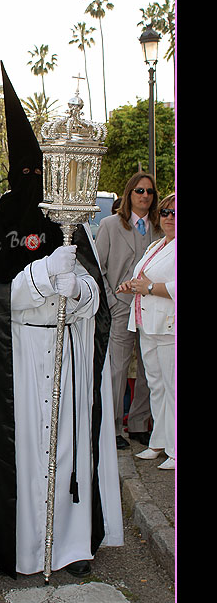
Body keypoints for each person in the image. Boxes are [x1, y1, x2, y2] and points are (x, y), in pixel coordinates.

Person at [0, 63, 123, 581]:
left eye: (38, 174)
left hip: (67, 354)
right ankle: (25, 546)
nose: (31, 184)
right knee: (23, 451)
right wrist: (45, 276)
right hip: (19, 360)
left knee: (68, 445)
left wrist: (81, 288)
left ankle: (71, 545)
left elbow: (97, 296)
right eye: (25, 173)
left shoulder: (68, 225)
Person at [95, 172, 162, 449]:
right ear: (129, 194)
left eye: (149, 192)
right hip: (121, 308)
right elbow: (98, 268)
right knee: (117, 369)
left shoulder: (161, 228)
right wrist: (110, 301)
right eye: (139, 191)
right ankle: (112, 429)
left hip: (152, 307)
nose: (144, 196)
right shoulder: (111, 225)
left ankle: (138, 424)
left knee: (149, 369)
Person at [116, 194, 175, 470]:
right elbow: (144, 277)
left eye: (175, 213)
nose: (169, 217)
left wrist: (149, 288)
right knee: (157, 386)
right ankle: (159, 442)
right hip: (147, 323)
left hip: (168, 325)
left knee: (173, 388)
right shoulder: (156, 245)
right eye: (165, 212)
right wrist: (133, 285)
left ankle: (175, 449)